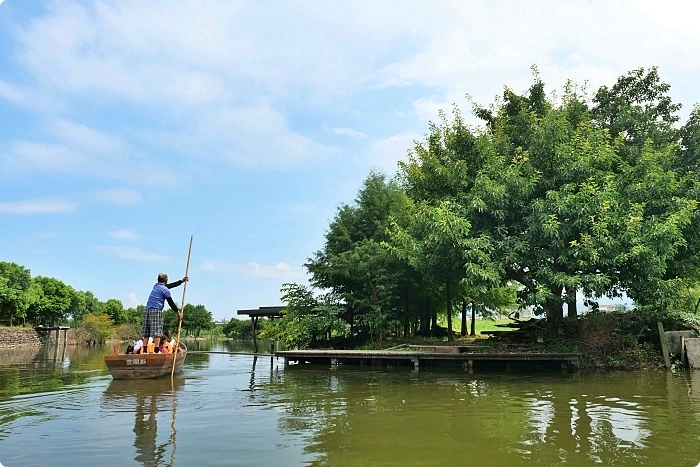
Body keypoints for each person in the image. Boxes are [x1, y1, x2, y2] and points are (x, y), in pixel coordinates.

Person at [142, 272, 188, 353]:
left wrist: (181, 281)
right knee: (157, 331)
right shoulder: (165, 290)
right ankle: (156, 351)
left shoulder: (156, 286)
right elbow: (170, 302)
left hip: (147, 310)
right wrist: (178, 313)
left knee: (146, 331)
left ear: (158, 280)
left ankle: (145, 350)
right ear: (166, 280)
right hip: (156, 310)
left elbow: (169, 286)